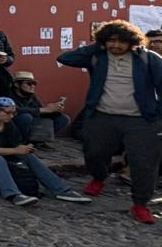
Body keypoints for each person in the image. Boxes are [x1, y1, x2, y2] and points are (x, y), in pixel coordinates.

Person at [57, 20, 162, 224]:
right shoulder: (98, 56)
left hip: (141, 120)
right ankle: (98, 178)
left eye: (121, 41)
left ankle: (140, 204)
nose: (115, 45)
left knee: (144, 163)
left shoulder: (148, 59)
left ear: (132, 42)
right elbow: (65, 58)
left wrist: (158, 115)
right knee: (94, 152)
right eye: (111, 41)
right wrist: (98, 45)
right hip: (103, 116)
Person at [0, 97, 91, 207]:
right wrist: (15, 150)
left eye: (13, 113)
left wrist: (24, 148)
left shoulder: (7, 122)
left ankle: (61, 190)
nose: (11, 116)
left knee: (28, 156)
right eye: (7, 112)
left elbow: (15, 142)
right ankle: (13, 194)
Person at [9, 71, 69, 143]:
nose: (32, 86)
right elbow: (15, 110)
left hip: (31, 123)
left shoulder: (32, 96)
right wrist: (43, 110)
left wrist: (54, 110)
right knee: (26, 117)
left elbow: (42, 111)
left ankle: (38, 142)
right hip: (12, 124)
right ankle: (20, 143)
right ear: (16, 84)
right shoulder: (9, 94)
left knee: (63, 118)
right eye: (29, 83)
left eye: (34, 84)